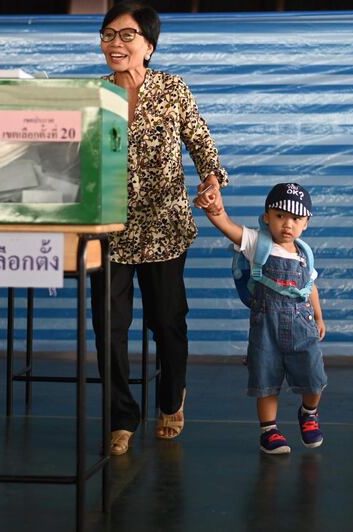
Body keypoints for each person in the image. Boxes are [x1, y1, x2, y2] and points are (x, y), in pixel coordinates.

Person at [90, 2, 228, 457]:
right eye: (108, 34)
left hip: (165, 223)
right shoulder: (92, 94)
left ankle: (172, 398)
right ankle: (122, 417)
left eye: (126, 35)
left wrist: (212, 180)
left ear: (149, 45)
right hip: (108, 227)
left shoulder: (172, 89)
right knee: (109, 327)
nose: (115, 43)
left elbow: (200, 141)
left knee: (167, 321)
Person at [197, 183, 327, 455]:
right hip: (265, 327)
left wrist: (318, 315)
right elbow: (227, 226)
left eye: (295, 218)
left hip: (303, 326)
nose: (287, 224)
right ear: (267, 216)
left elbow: (310, 286)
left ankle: (308, 412)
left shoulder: (304, 253)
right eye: (280, 216)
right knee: (266, 380)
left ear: (306, 223)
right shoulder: (258, 242)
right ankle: (269, 430)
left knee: (315, 378)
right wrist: (214, 210)